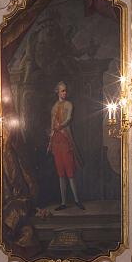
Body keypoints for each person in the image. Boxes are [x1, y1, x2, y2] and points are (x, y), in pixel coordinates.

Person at [48, 81, 84, 211]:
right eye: (62, 90)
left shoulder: (69, 104)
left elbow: (68, 119)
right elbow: (52, 124)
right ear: (57, 92)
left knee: (70, 172)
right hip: (57, 141)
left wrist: (59, 126)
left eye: (65, 90)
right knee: (60, 173)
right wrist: (51, 137)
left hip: (65, 139)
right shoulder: (54, 107)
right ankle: (63, 202)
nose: (64, 93)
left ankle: (76, 200)